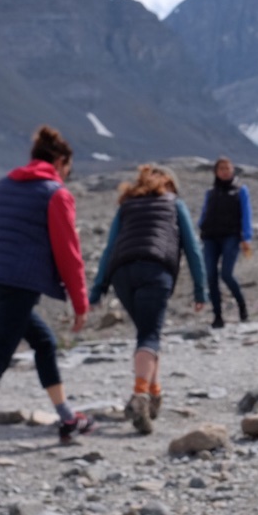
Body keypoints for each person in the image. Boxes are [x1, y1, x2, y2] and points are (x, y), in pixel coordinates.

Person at [0, 126, 92, 461]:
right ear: (59, 161)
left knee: (43, 341)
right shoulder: (56, 193)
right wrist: (80, 302)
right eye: (68, 168)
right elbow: (68, 251)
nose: (67, 175)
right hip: (19, 283)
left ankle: (68, 418)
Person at [89, 164, 206, 435]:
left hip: (121, 273)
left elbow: (110, 248)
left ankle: (155, 394)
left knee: (147, 334)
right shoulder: (174, 204)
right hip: (155, 269)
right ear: (169, 185)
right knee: (149, 335)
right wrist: (201, 290)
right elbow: (192, 248)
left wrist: (98, 288)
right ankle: (140, 396)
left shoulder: (126, 206)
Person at [199, 157, 252, 329]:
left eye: (228, 168)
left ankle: (242, 307)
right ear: (216, 171)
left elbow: (246, 214)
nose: (225, 171)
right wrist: (201, 227)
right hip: (210, 237)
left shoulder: (241, 190)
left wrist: (246, 237)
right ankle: (217, 316)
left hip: (231, 235)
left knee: (227, 274)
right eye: (221, 168)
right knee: (211, 276)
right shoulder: (211, 192)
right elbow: (205, 212)